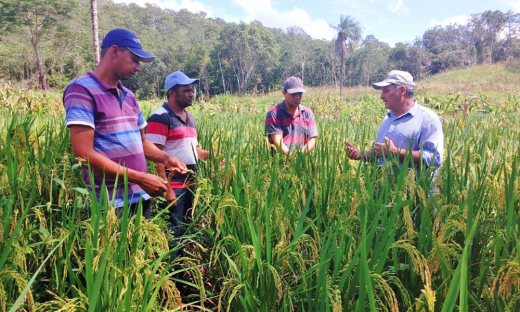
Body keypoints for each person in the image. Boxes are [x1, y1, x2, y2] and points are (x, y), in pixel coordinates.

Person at [63, 28, 186, 218]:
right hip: (110, 203)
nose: (139, 68)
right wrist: (140, 177)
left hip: (140, 196)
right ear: (114, 51)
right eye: (135, 60)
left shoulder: (129, 96)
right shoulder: (80, 90)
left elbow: (142, 141)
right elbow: (84, 154)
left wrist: (165, 158)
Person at [145, 71, 210, 258]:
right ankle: (172, 277)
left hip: (191, 186)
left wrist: (214, 155)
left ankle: (184, 272)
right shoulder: (160, 117)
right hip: (174, 188)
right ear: (172, 93)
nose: (192, 94)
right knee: (174, 234)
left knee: (187, 231)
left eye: (192, 90)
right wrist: (167, 190)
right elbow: (156, 155)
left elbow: (194, 151)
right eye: (186, 90)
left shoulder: (190, 118)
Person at [344, 70, 444, 174]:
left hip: (413, 188)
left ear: (402, 90)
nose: (381, 96)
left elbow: (435, 159)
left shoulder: (427, 119)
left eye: (386, 91)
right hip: (385, 189)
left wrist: (395, 152)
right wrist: (361, 154)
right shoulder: (388, 118)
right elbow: (381, 153)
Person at [265, 77, 318, 154]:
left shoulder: (308, 113)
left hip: (302, 160)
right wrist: (291, 157)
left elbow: (312, 141)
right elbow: (277, 142)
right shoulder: (274, 114)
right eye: (293, 94)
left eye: (300, 94)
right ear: (284, 93)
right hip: (280, 161)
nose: (297, 97)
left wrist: (300, 156)